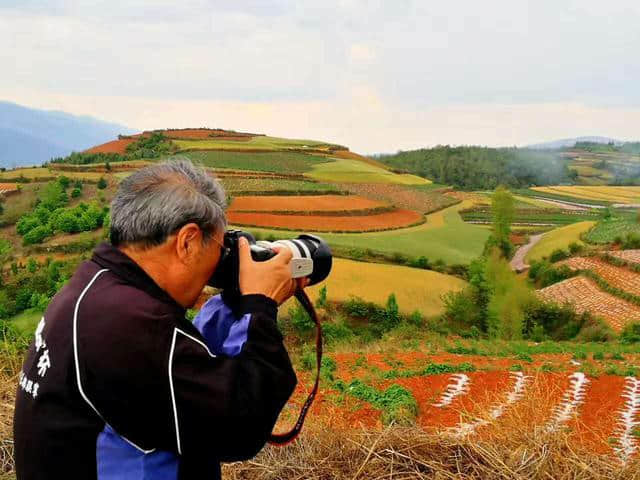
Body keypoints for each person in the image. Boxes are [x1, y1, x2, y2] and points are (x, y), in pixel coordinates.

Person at [13, 159, 301, 479]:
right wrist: (261, 306)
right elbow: (238, 426)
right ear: (188, 241)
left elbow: (190, 367)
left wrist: (236, 300)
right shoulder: (133, 327)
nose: (219, 263)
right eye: (220, 247)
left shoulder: (96, 290)